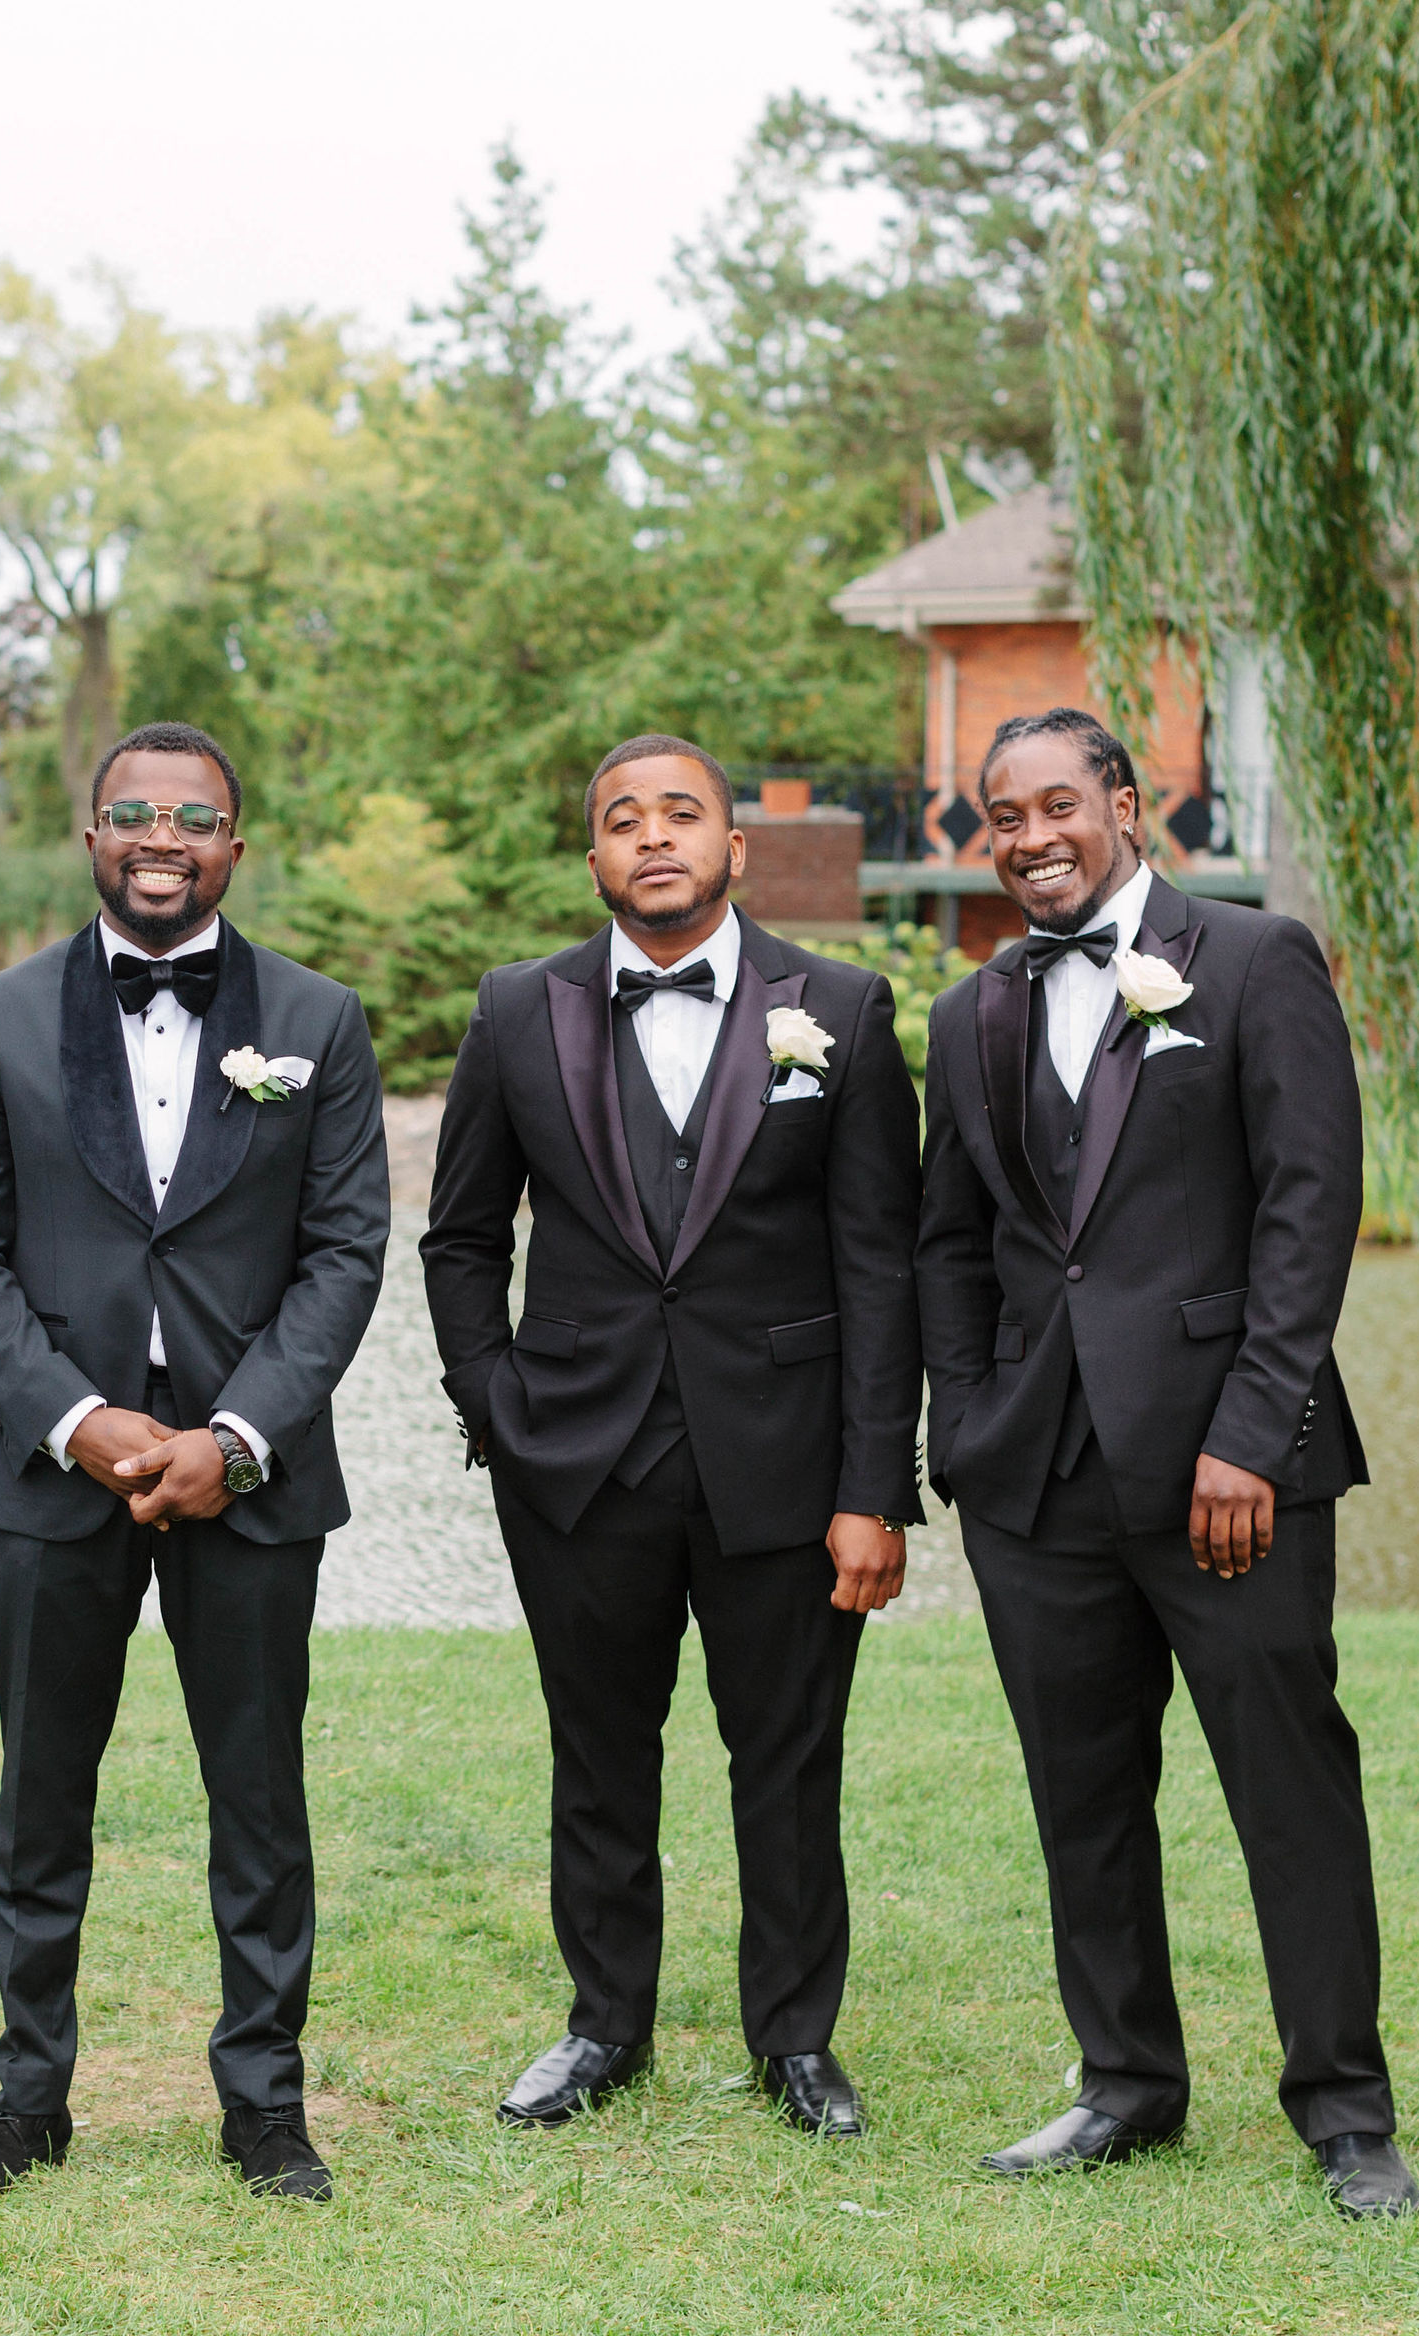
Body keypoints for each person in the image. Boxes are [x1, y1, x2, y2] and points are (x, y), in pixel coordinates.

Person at [912, 707, 1413, 2217]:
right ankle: (1124, 2083)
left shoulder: (1258, 964)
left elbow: (1307, 1213)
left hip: (1224, 1472)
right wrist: (967, 1422)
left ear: (1129, 809)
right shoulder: (970, 1011)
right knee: (1082, 1793)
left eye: (1059, 803)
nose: (1030, 836)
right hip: (1035, 1478)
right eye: (1003, 814)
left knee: (1289, 1784)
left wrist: (1252, 1437)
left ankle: (1344, 2109)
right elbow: (953, 1244)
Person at [419, 734, 920, 2142]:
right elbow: (460, 1239)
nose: (653, 838)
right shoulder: (521, 1009)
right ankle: (602, 2027)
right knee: (598, 1754)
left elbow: (882, 1269)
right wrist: (496, 1410)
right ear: (594, 857)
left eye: (680, 815)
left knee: (789, 1758)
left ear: (733, 847)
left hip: (788, 1464)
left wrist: (876, 1483)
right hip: (576, 1461)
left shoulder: (843, 1006)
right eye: (622, 820)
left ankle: (797, 2043)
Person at [0, 723, 388, 2201]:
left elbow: (344, 1252)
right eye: (134, 812)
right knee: (41, 1795)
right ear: (93, 836)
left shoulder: (318, 1020)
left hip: (251, 1482)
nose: (162, 836)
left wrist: (236, 1437)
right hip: (54, 1479)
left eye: (195, 816)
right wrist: (78, 1419)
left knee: (259, 1801)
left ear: (237, 843)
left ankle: (264, 2105)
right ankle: (26, 2096)